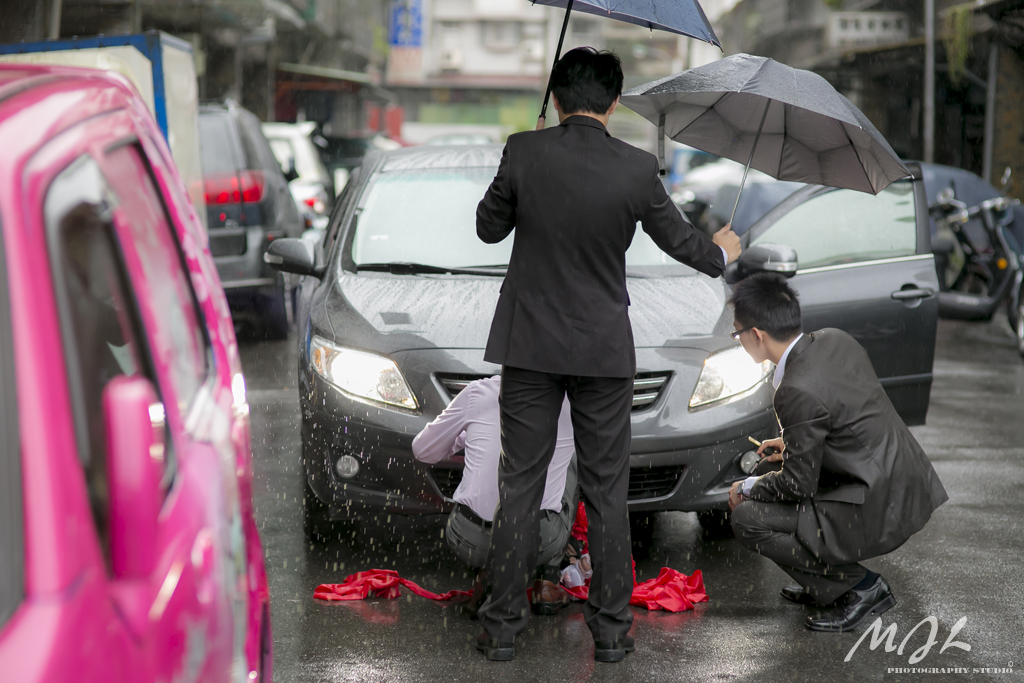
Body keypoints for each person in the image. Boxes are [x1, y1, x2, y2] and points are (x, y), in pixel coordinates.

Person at [473, 47, 741, 662]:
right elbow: (680, 242)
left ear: (558, 99)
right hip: (601, 350)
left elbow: (489, 227)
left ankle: (502, 629)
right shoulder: (636, 168)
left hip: (530, 344)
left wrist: (518, 166)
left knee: (520, 485)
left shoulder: (523, 151)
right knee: (606, 492)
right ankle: (613, 633)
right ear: (615, 104)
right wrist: (719, 252)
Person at [727, 273, 948, 631]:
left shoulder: (794, 389)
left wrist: (748, 486)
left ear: (757, 335)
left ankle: (861, 588)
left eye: (737, 333)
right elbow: (847, 419)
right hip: (901, 482)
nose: (738, 340)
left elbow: (798, 485)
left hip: (873, 503)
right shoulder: (834, 339)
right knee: (771, 507)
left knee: (749, 518)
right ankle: (823, 585)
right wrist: (794, 446)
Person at [411, 376, 577, 615]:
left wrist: (465, 437)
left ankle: (489, 570)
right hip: (539, 539)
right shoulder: (569, 401)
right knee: (576, 456)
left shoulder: (479, 392)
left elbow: (423, 450)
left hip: (468, 538)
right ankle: (547, 583)